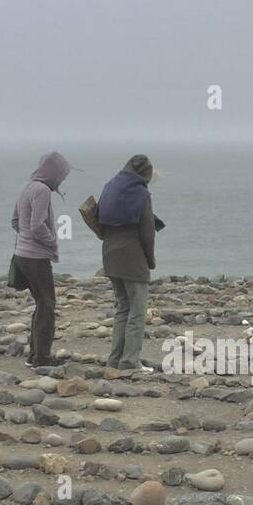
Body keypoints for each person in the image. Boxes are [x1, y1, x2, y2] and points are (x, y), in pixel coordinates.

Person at [97, 154, 161, 372]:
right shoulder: (142, 195)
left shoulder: (109, 187)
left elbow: (99, 221)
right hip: (133, 258)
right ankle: (130, 361)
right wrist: (150, 260)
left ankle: (114, 359)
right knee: (138, 311)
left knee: (122, 308)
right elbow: (147, 231)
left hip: (110, 255)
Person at [11, 151, 70, 367]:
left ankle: (34, 355)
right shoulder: (42, 190)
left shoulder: (26, 186)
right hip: (36, 257)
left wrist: (25, 240)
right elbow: (37, 225)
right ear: (53, 173)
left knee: (41, 303)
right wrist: (51, 242)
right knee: (47, 305)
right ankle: (42, 358)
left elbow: (15, 221)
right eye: (61, 175)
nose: (61, 180)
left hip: (22, 255)